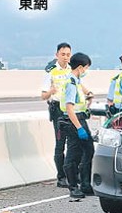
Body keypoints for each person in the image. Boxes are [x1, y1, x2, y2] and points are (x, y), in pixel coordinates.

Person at [59, 52, 95, 198]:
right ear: (80, 67)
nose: (86, 71)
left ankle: (86, 184)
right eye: (86, 68)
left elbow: (80, 101)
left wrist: (88, 100)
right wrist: (79, 128)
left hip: (80, 119)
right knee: (73, 154)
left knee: (89, 150)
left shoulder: (77, 81)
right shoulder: (71, 83)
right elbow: (69, 108)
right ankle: (73, 187)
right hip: (72, 121)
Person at [40, 42, 72, 188]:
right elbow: (43, 96)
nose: (65, 57)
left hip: (71, 109)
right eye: (63, 54)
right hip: (58, 110)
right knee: (60, 144)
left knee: (74, 143)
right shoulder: (51, 72)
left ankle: (73, 174)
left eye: (68, 55)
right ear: (57, 55)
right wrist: (50, 92)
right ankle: (61, 177)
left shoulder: (72, 69)